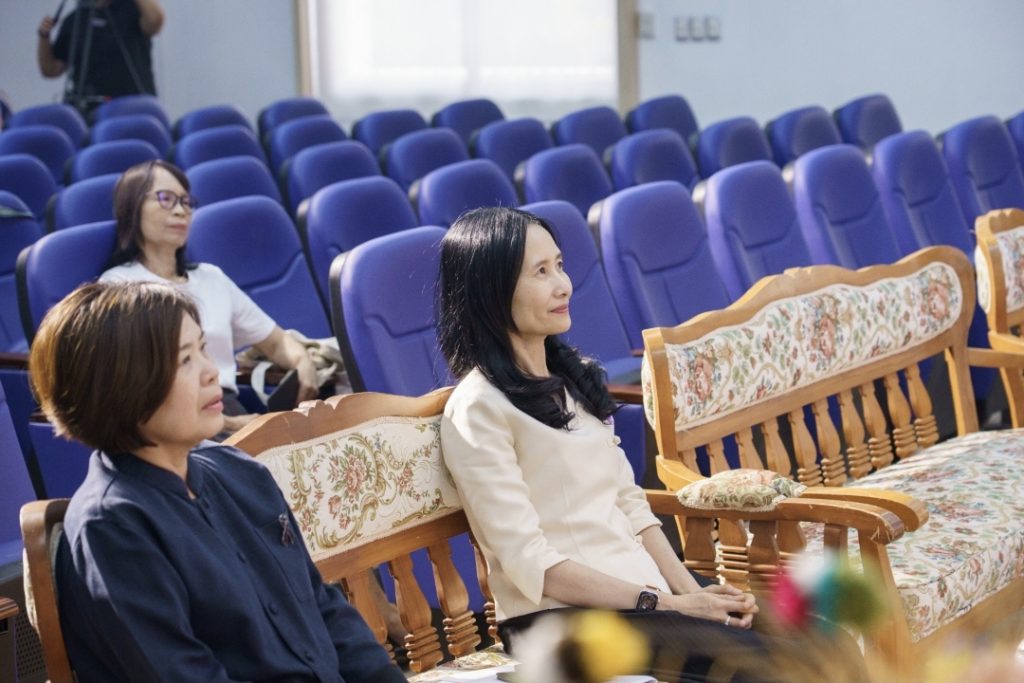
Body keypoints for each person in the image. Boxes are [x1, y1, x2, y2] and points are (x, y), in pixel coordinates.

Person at [436, 207, 847, 683]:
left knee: (825, 641)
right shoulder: (478, 408)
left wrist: (691, 590)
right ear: (491, 290)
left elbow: (630, 504)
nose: (563, 285)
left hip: (642, 596)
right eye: (540, 272)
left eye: (560, 265)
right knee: (772, 672)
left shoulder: (569, 382)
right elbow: (532, 563)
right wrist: (671, 604)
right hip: (562, 619)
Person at [29, 281, 407, 683]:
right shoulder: (112, 526)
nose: (211, 373)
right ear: (120, 386)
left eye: (203, 349)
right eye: (184, 360)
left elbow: (322, 607)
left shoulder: (240, 470)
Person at [100, 159, 319, 435]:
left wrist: (303, 362)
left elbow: (275, 342)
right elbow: (136, 388)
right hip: (171, 426)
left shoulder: (211, 277)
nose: (180, 211)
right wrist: (231, 424)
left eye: (186, 202)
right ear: (132, 207)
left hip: (226, 407)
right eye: (166, 199)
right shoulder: (119, 286)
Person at [38, 0, 163, 110]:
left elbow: (155, 21)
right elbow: (51, 69)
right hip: (88, 110)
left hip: (133, 107)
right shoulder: (75, 20)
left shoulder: (133, 10)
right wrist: (44, 36)